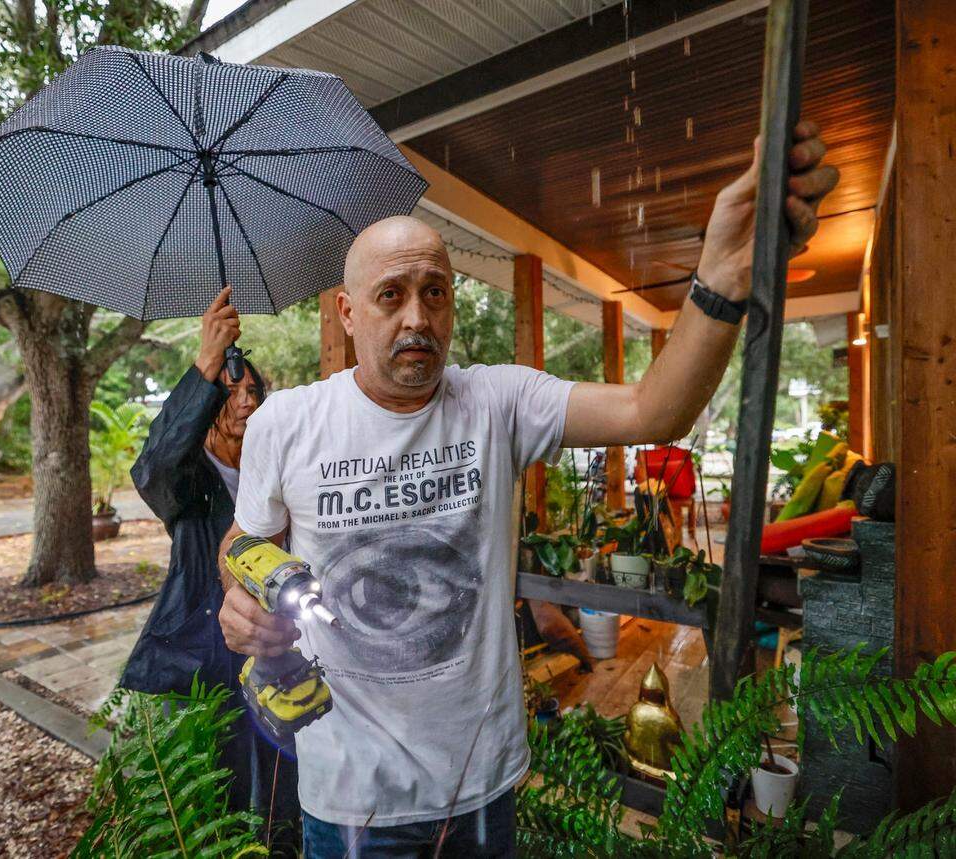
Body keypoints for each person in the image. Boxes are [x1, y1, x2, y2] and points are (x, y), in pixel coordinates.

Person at [216, 122, 839, 858]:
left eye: (435, 292)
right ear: (349, 314)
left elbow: (655, 409)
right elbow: (243, 542)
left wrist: (722, 281)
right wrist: (242, 607)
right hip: (350, 797)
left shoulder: (498, 402)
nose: (417, 316)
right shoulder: (287, 421)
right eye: (390, 295)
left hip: (480, 786)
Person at [119, 286, 299, 834]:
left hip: (271, 656)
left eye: (253, 391)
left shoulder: (279, 474)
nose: (246, 401)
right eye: (231, 391)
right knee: (208, 809)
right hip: (198, 662)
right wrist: (207, 361)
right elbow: (152, 467)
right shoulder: (190, 479)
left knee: (275, 798)